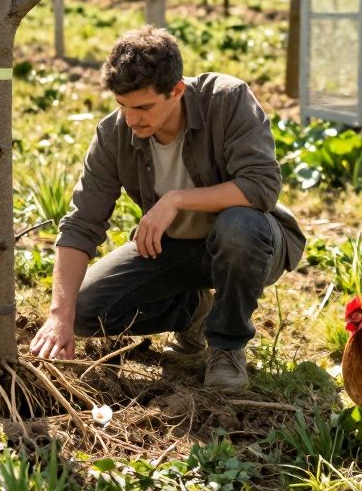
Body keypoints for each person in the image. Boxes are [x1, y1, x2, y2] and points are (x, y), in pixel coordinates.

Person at [28, 26, 305, 390]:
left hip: (251, 243)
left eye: (143, 107)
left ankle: (226, 345)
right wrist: (58, 317)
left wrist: (175, 199)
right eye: (122, 106)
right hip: (173, 248)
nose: (132, 119)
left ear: (177, 90)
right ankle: (193, 312)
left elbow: (261, 186)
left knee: (239, 226)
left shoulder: (227, 99)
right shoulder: (114, 135)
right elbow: (81, 224)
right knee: (83, 311)